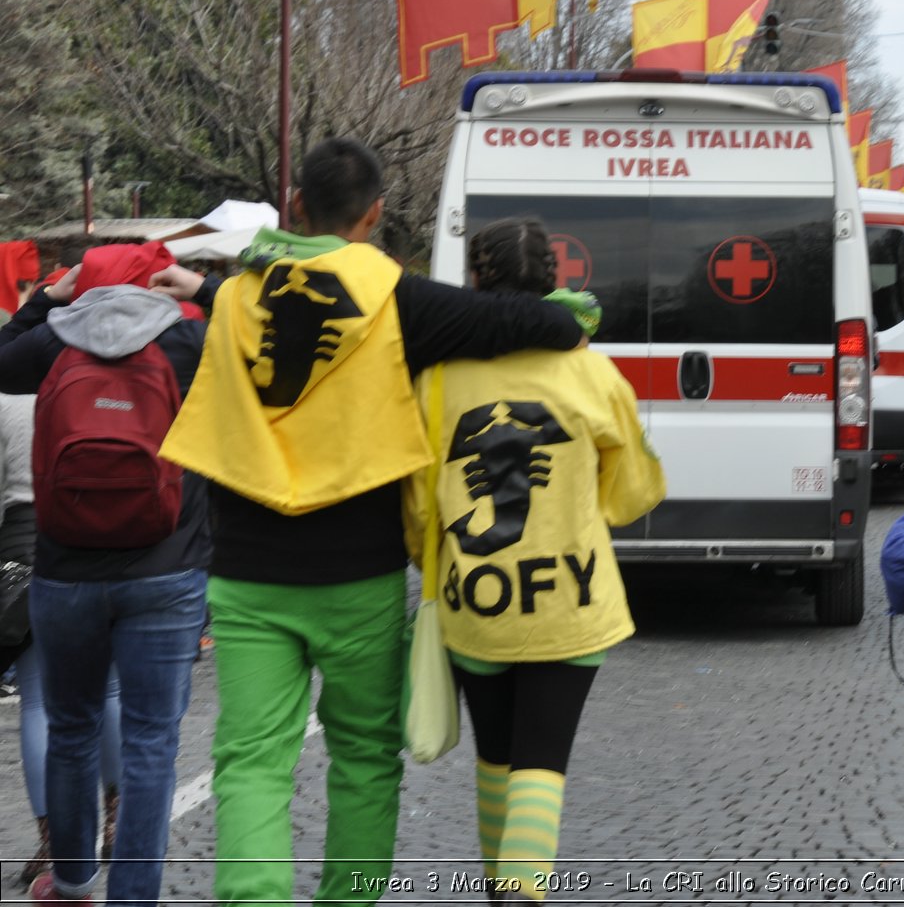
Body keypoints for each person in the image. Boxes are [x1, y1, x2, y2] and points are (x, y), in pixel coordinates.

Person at [153, 138, 595, 907]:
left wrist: (204, 281)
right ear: (376, 214)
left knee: (251, 758)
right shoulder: (401, 299)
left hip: (248, 572)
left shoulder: (232, 297)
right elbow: (539, 325)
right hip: (359, 573)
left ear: (295, 205)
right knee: (363, 757)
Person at [404, 217, 664, 901]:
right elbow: (632, 490)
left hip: (475, 601)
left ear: (475, 280)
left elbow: (420, 506)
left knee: (496, 757)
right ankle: (522, 892)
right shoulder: (590, 369)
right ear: (556, 279)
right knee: (541, 763)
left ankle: (502, 891)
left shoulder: (436, 376)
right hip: (569, 601)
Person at [0, 242, 212, 905]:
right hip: (166, 569)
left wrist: (45, 300)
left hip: (64, 570)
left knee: (71, 728)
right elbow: (265, 334)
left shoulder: (54, 343)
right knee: (151, 741)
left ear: (82, 282)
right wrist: (202, 289)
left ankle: (70, 883)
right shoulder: (188, 341)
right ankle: (135, 896)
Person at [3, 390, 125, 888]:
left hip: (23, 541)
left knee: (39, 703)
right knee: (111, 689)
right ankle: (118, 819)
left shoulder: (6, 403)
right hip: (98, 532)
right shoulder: (91, 386)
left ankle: (53, 842)